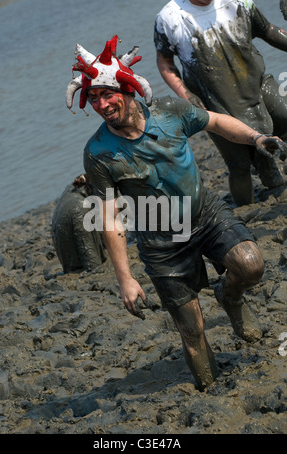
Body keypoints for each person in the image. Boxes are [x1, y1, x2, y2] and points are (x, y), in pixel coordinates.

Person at [65, 35, 287, 390]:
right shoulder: (98, 153)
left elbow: (215, 122)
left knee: (250, 264)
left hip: (206, 215)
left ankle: (229, 296)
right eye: (93, 98)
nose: (103, 104)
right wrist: (125, 278)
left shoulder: (170, 112)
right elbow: (109, 218)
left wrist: (257, 138)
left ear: (129, 89)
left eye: (108, 95)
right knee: (192, 330)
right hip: (161, 243)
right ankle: (209, 388)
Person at [154, 0, 287, 206]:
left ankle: (274, 175)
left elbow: (267, 30)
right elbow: (165, 61)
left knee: (284, 116)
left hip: (257, 83)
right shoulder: (169, 18)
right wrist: (185, 94)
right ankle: (245, 208)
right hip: (214, 100)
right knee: (238, 163)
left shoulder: (238, 2)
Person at [51, 174, 106, 274]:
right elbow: (93, 264)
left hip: (69, 262)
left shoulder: (71, 189)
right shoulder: (81, 209)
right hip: (78, 266)